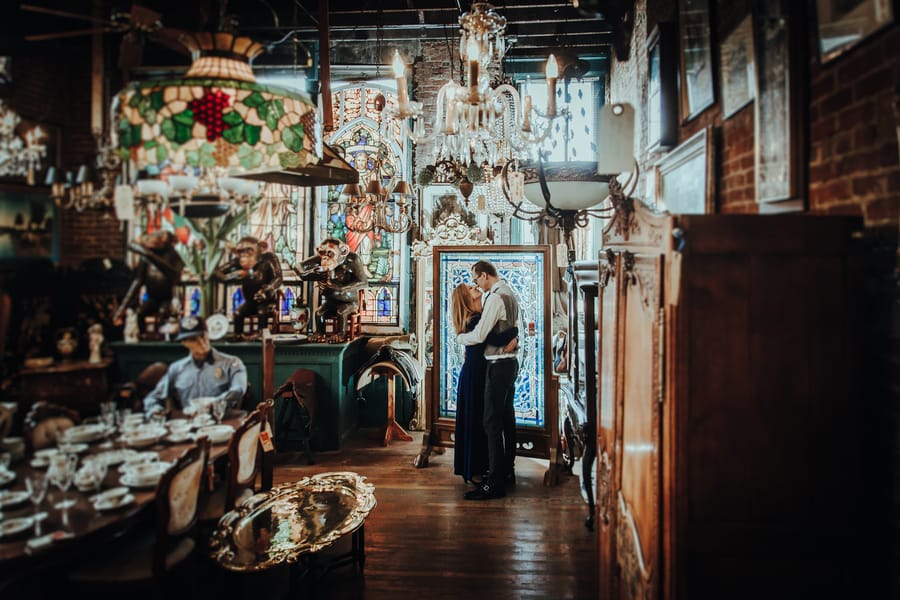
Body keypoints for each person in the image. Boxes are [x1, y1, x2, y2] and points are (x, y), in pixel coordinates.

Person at [456, 260, 521, 500]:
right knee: (507, 419)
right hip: (510, 363)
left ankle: (494, 482)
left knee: (492, 423)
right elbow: (511, 329)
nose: (476, 284)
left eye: (475, 279)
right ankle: (507, 471)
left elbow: (482, 335)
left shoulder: (495, 298)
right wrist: (513, 337)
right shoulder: (510, 294)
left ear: (484, 276)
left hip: (497, 365)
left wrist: (460, 339)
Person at [143, 315, 248, 415]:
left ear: (208, 334)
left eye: (203, 336)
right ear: (184, 343)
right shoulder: (176, 368)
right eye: (193, 339)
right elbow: (153, 397)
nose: (201, 342)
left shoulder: (231, 363)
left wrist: (214, 403)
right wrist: (155, 411)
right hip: (187, 425)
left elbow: (238, 389)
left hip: (221, 424)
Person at [214, 236, 283, 337]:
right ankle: (238, 336)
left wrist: (269, 288)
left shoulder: (268, 258)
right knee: (238, 313)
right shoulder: (239, 261)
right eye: (241, 251)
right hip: (250, 301)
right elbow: (218, 273)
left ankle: (261, 336)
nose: (244, 255)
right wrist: (236, 274)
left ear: (261, 249)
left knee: (262, 311)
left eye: (249, 250)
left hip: (266, 300)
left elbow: (278, 278)